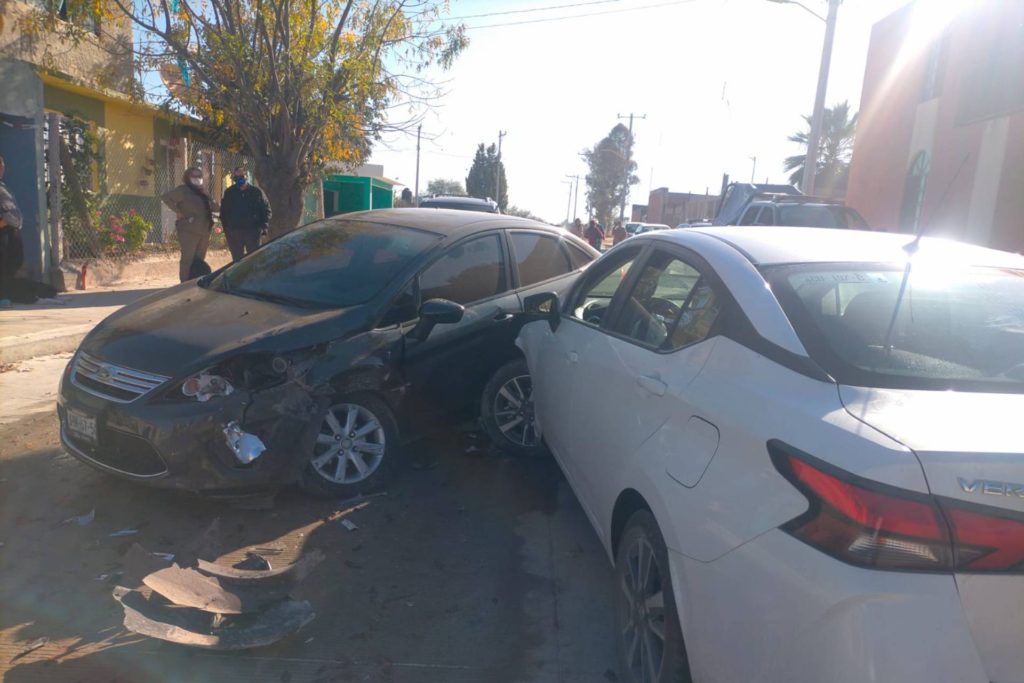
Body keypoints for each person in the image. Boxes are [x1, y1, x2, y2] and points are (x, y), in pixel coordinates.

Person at [162, 167, 219, 282]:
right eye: (194, 176)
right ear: (187, 177)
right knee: (187, 259)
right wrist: (178, 211)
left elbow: (215, 207)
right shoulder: (183, 190)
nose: (197, 179)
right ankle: (184, 283)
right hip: (188, 230)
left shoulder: (203, 192)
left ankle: (195, 281)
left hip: (204, 230)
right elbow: (166, 198)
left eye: (199, 176)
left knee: (199, 258)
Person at [219, 166, 271, 262]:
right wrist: (227, 229)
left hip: (253, 232)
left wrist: (263, 227)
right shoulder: (229, 193)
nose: (239, 179)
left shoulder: (257, 192)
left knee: (254, 260)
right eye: (236, 177)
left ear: (247, 176)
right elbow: (224, 212)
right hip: (234, 233)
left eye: (242, 176)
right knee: (237, 262)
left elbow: (266, 210)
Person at [0, 155, 24, 308]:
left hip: (11, 230)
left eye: (2, 166)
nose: (2, 169)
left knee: (16, 260)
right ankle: (3, 295)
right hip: (3, 230)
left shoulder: (4, 186)